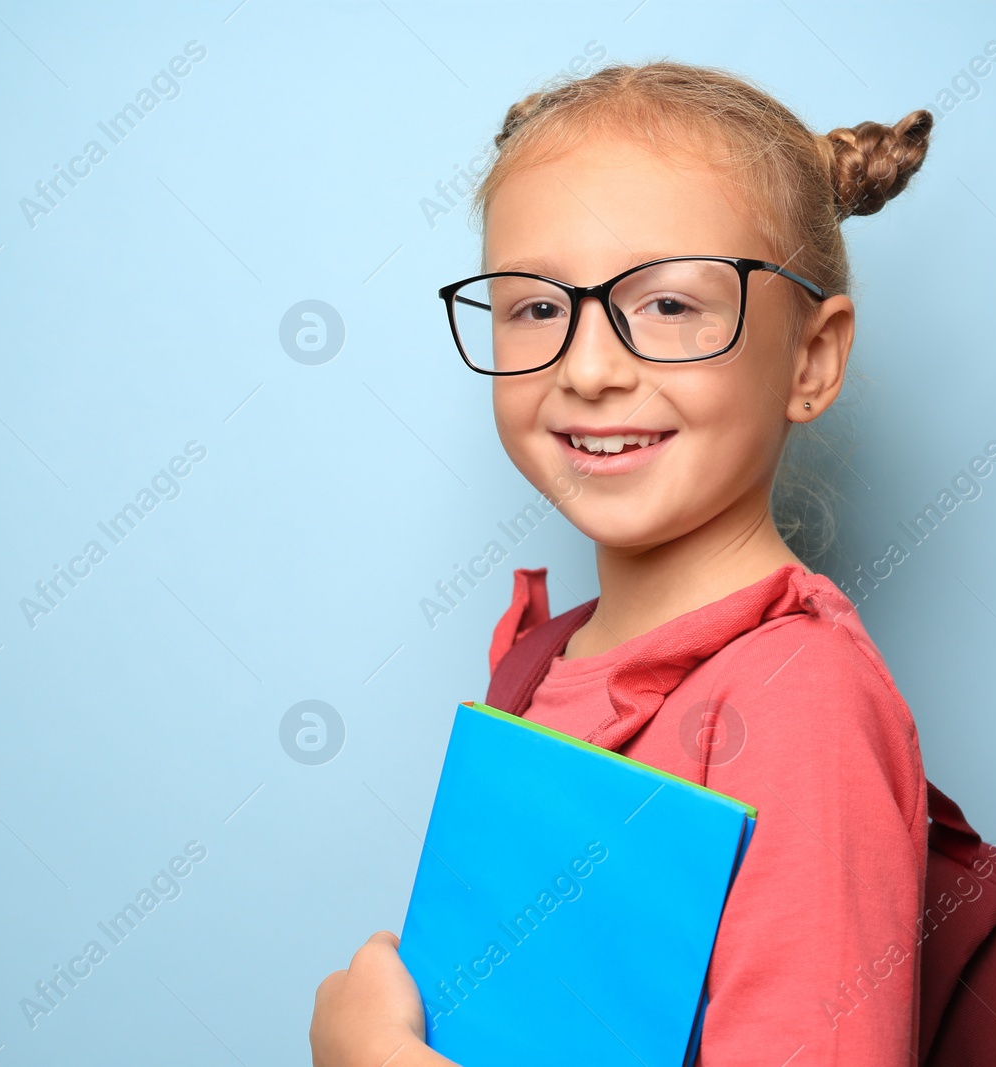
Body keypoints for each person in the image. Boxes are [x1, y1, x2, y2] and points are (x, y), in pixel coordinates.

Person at [312, 59, 935, 1067]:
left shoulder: (797, 704)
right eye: (535, 308)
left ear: (811, 359)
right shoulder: (546, 661)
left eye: (671, 306)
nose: (588, 368)